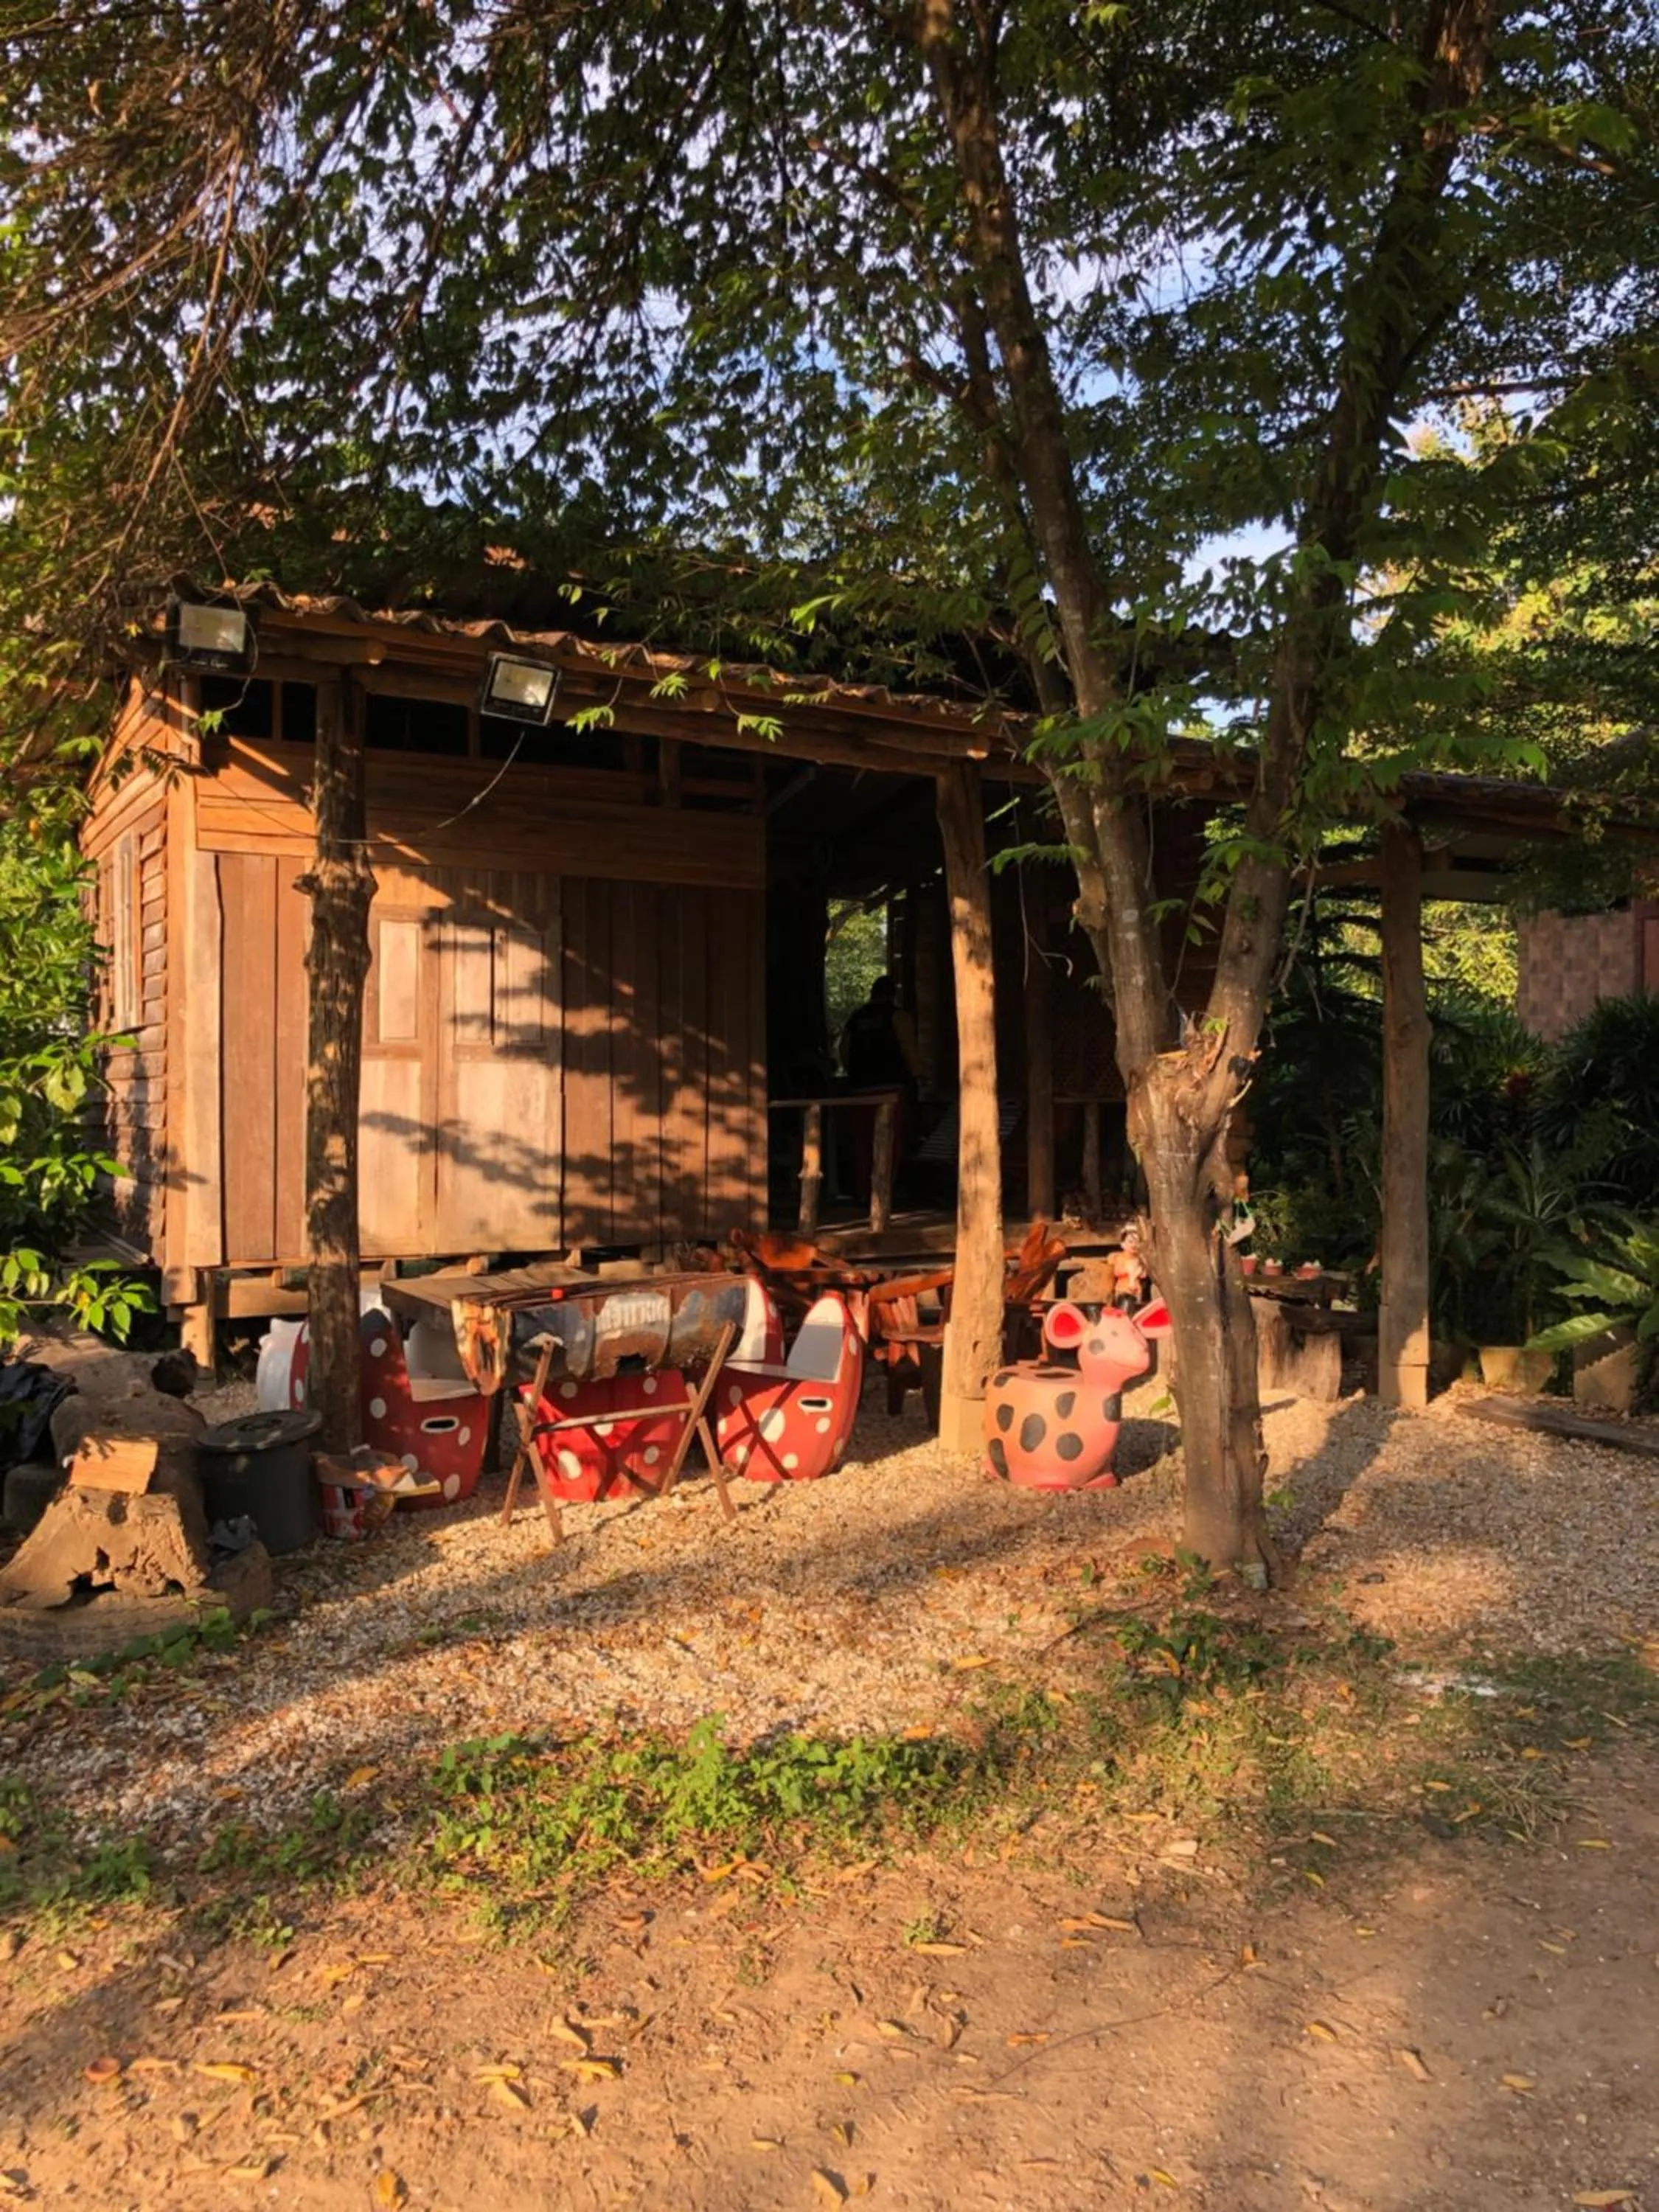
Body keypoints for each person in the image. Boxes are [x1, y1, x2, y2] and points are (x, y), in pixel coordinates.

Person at [839, 975, 921, 1206]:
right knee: (891, 1143)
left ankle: (864, 1193)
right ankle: (886, 1194)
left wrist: (857, 1074)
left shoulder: (855, 1019)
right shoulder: (898, 1016)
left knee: (862, 1144)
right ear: (893, 994)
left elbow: (844, 1052)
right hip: (891, 1091)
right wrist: (916, 1078)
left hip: (859, 1091)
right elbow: (909, 1050)